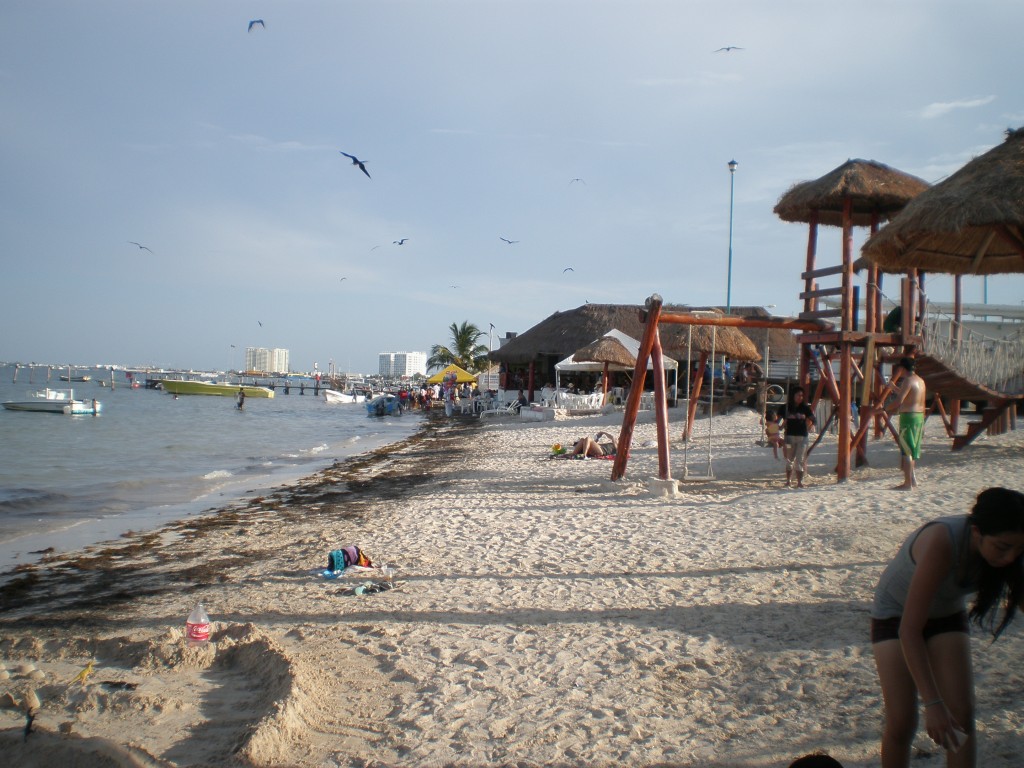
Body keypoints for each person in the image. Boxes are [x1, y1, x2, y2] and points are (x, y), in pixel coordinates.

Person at [871, 487, 1024, 767]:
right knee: (903, 720)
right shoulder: (944, 540)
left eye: (1019, 549)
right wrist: (932, 703)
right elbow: (909, 630)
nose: (1011, 557)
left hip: (946, 612)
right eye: (1003, 547)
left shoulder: (1010, 552)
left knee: (962, 715)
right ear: (977, 532)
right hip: (895, 614)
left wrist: (944, 707)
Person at [888, 357, 926, 490]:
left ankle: (907, 483)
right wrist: (895, 388)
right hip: (919, 417)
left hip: (908, 417)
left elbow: (899, 401)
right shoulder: (920, 381)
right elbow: (910, 395)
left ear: (902, 368)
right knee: (913, 448)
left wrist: (884, 409)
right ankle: (912, 480)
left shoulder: (908, 380)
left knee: (906, 450)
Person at [780, 386, 815, 487]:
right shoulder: (785, 408)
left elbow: (813, 419)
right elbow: (777, 421)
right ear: (793, 396)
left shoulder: (805, 408)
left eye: (802, 395)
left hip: (802, 437)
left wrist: (811, 425)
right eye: (798, 395)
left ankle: (799, 482)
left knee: (800, 459)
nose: (800, 397)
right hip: (789, 438)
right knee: (789, 459)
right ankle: (788, 481)